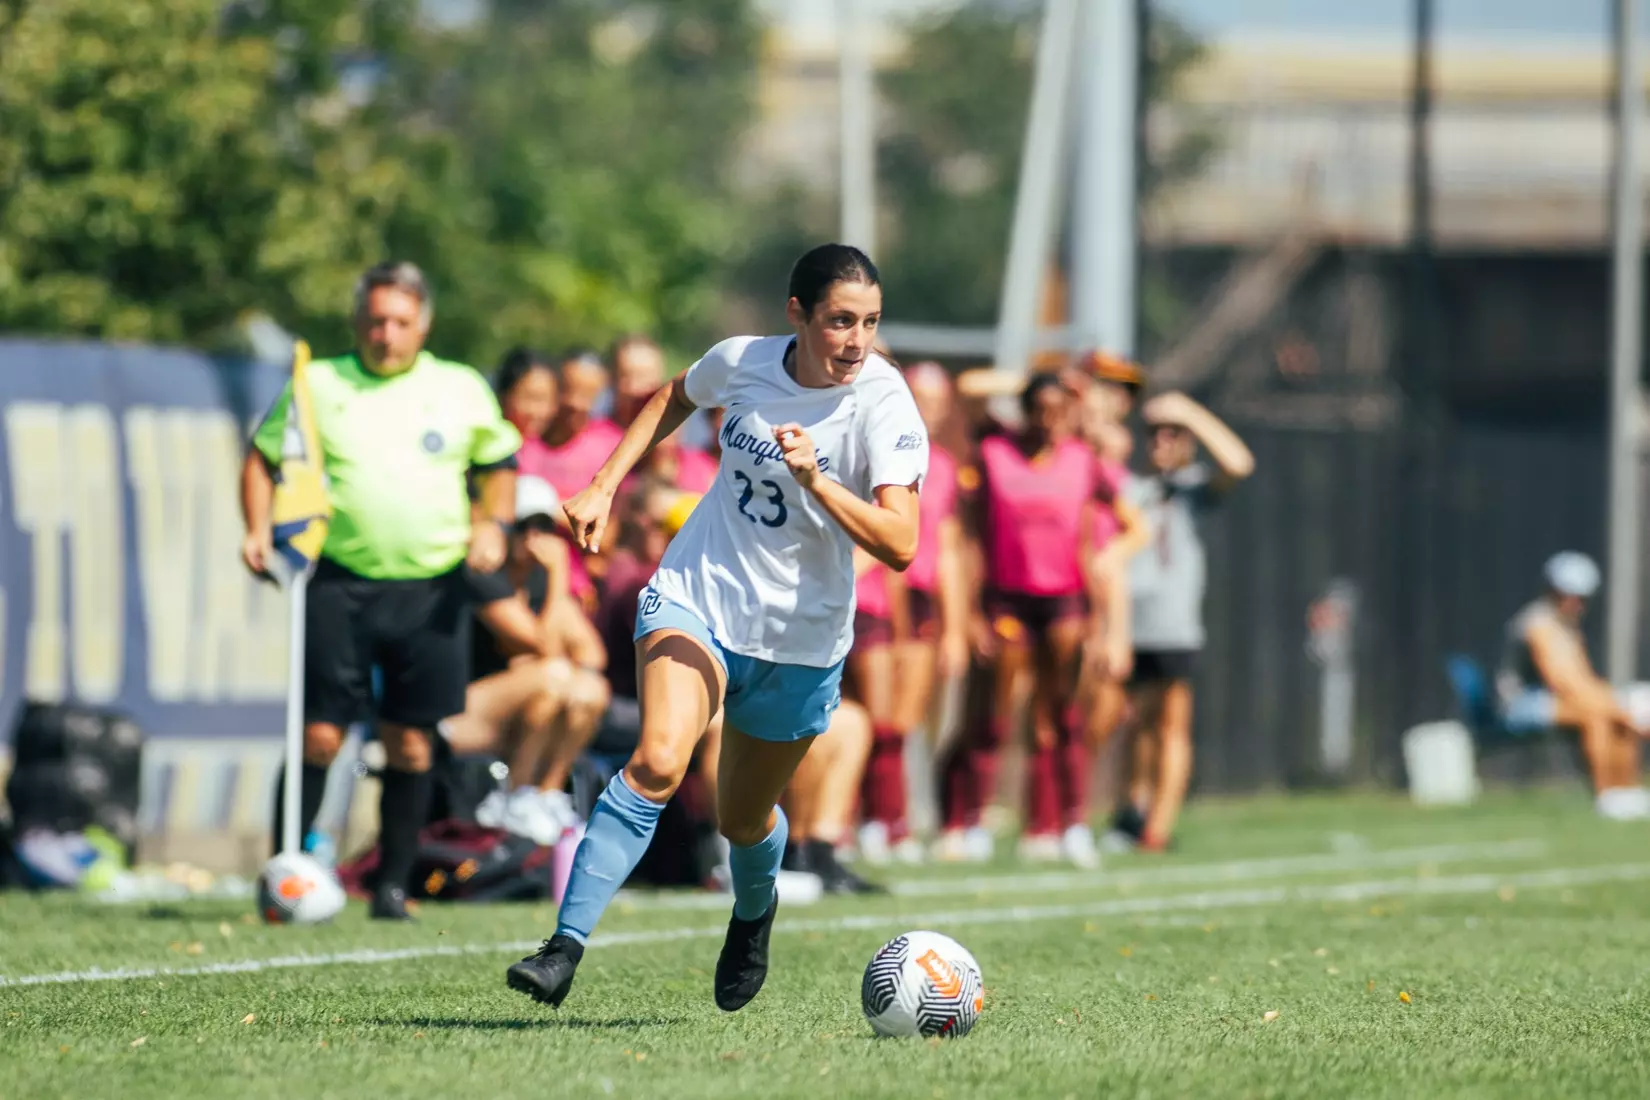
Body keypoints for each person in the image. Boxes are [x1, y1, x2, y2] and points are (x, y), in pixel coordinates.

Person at [505, 243, 927, 1012]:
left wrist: (818, 481)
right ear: (797, 314)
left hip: (799, 639)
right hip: (699, 594)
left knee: (743, 818)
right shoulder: (743, 362)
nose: (856, 340)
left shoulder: (885, 403)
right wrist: (604, 485)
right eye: (839, 321)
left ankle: (753, 910)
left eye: (868, 322)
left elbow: (901, 544)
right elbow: (674, 395)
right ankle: (562, 948)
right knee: (660, 760)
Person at [240, 261, 522, 919]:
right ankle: (290, 873)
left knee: (412, 742)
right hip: (338, 582)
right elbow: (262, 458)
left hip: (431, 591)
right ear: (356, 321)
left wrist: (494, 525)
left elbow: (499, 468)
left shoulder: (459, 389)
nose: (385, 334)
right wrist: (257, 528)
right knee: (319, 735)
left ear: (422, 324)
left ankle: (391, 885)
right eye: (374, 320)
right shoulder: (318, 383)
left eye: (399, 321)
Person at [942, 373, 1145, 867]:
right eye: (1042, 410)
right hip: (1006, 601)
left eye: (1060, 411)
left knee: (1060, 716)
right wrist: (968, 614)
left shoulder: (1082, 458)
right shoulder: (994, 453)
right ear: (1027, 411)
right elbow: (968, 539)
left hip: (1065, 602)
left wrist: (1109, 565)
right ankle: (972, 824)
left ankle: (1068, 823)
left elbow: (1131, 524)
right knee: (994, 713)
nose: (1052, 422)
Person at [1116, 391, 1253, 853]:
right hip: (1126, 625)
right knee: (1134, 724)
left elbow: (1239, 463)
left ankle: (1159, 826)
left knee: (1172, 725)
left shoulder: (1194, 489)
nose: (1162, 443)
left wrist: (1189, 413)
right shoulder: (1128, 487)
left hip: (1173, 627)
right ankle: (1129, 812)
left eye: (1173, 436)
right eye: (1155, 434)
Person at [446, 476, 609, 845]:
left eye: (542, 527)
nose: (532, 538)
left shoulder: (538, 583)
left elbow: (593, 655)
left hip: (524, 703)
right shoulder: (482, 574)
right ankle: (515, 794)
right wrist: (559, 576)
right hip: (462, 713)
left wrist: (553, 593)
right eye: (523, 527)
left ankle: (544, 795)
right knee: (554, 675)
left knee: (590, 690)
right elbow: (543, 646)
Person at [854, 361, 969, 865]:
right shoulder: (868, 452)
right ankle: (872, 821)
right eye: (919, 397)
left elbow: (945, 547)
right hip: (875, 594)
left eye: (936, 400)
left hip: (920, 600)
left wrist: (956, 628)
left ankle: (895, 824)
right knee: (875, 716)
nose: (927, 408)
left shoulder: (943, 465)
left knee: (904, 720)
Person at [1496, 551, 1650, 818]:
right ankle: (1607, 795)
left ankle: (1624, 790)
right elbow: (1562, 682)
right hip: (1520, 704)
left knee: (1615, 710)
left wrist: (1619, 707)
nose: (1580, 605)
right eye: (1576, 597)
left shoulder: (1566, 626)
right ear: (1558, 592)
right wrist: (1618, 709)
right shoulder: (1538, 624)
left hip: (1558, 699)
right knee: (1598, 715)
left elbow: (1583, 680)